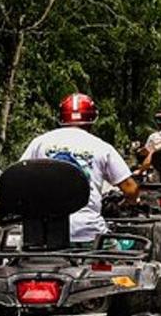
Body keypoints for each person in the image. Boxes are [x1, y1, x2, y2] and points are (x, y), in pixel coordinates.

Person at [19, 92, 139, 243]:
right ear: (92, 119)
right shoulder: (101, 147)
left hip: (41, 234)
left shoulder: (39, 143)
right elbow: (131, 189)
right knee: (124, 252)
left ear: (61, 118)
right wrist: (126, 203)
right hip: (88, 234)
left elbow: (19, 177)